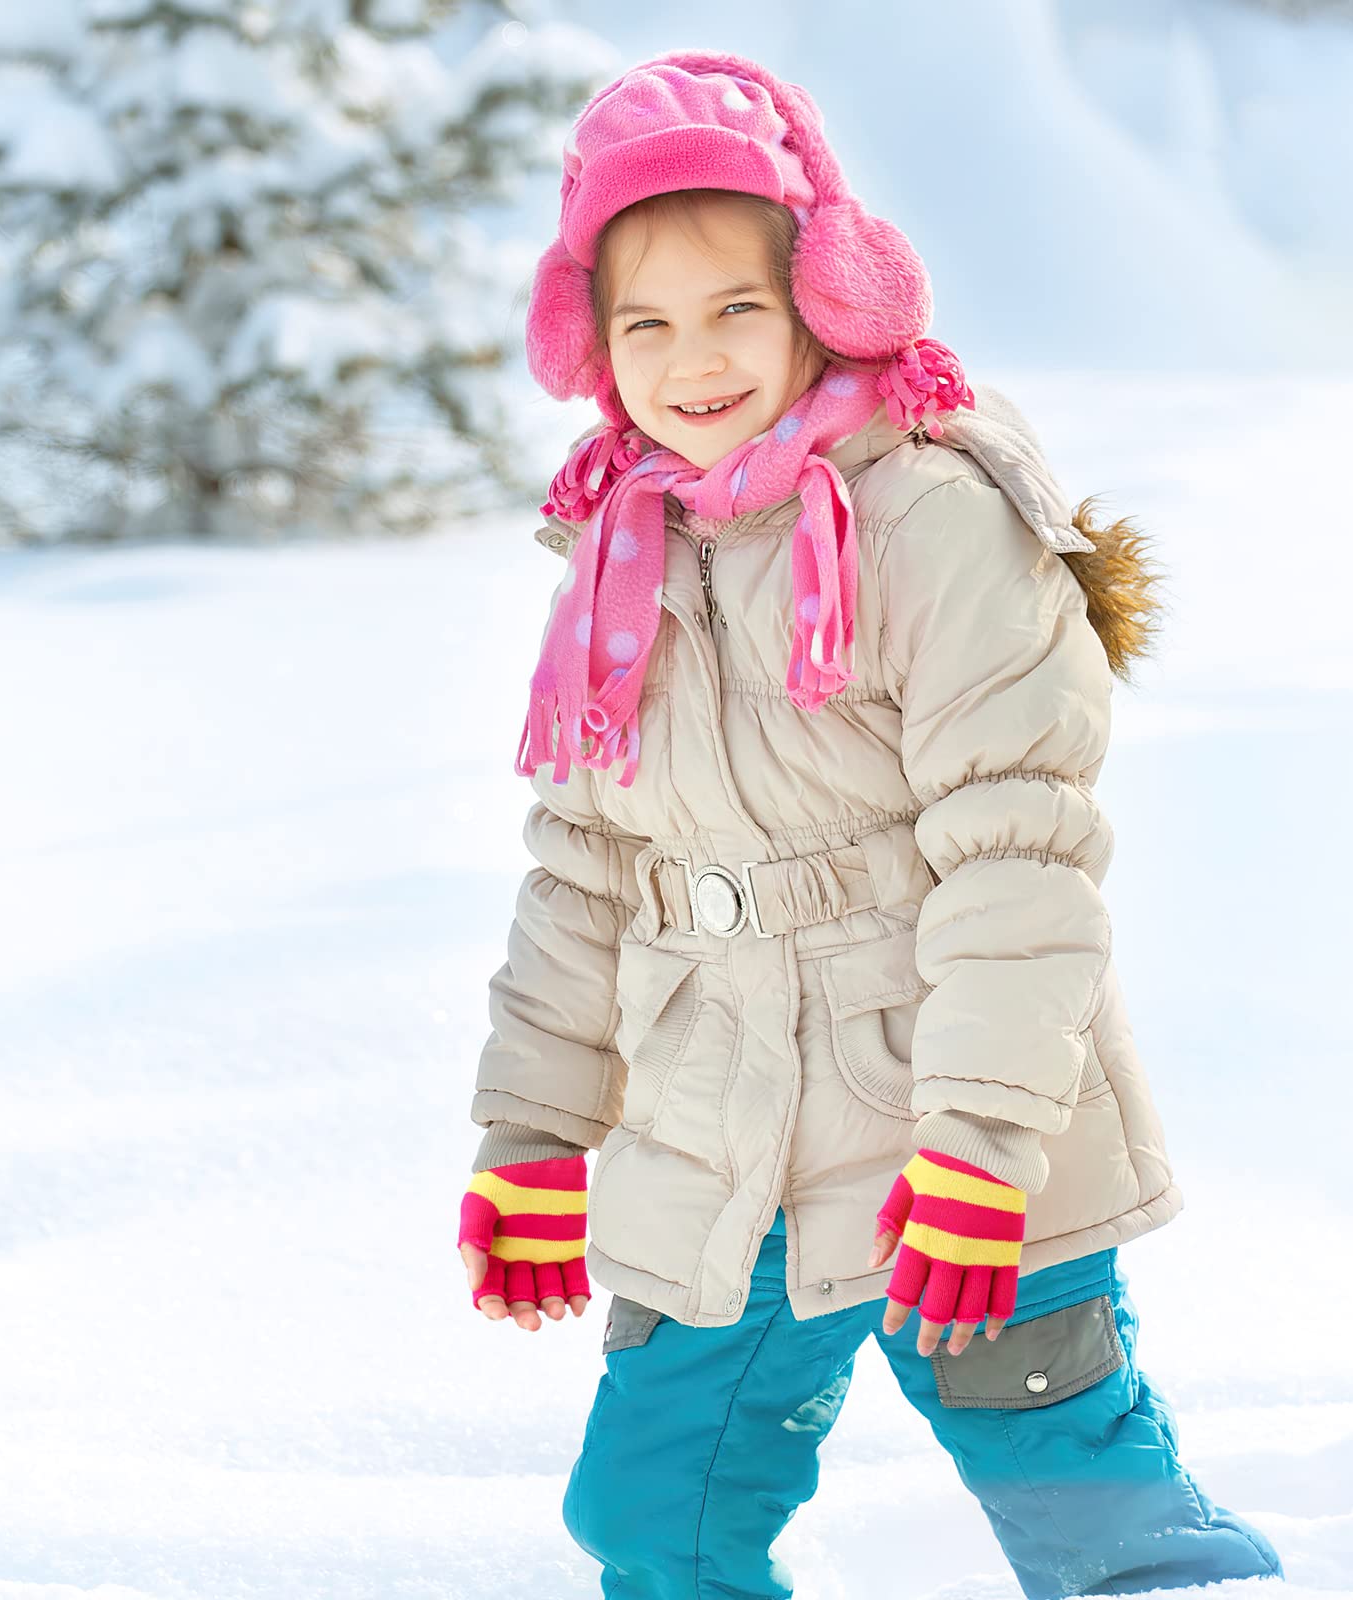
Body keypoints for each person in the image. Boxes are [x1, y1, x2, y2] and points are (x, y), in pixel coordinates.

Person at [455, 49, 1285, 1600]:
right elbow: (586, 871)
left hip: (944, 1109)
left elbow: (1017, 849)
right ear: (591, 344)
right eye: (646, 323)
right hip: (718, 1131)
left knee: (1093, 1516)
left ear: (823, 294)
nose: (690, 362)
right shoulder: (618, 550)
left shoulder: (930, 509)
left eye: (734, 312)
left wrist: (979, 1147)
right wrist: (533, 1137)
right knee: (653, 1523)